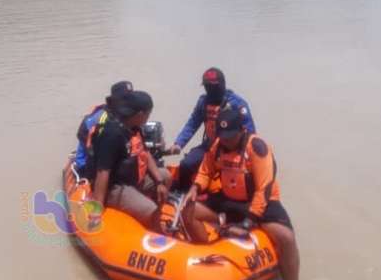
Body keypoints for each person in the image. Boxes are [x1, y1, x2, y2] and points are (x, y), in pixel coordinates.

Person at [182, 107, 300, 280]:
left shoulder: (258, 148)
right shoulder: (218, 145)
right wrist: (195, 188)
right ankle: (206, 254)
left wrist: (247, 224)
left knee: (286, 238)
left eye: (231, 136)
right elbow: (206, 170)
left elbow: (264, 188)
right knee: (188, 209)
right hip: (228, 198)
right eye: (223, 136)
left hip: (259, 203)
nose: (227, 140)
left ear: (242, 130)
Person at [88, 90, 172, 230]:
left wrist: (159, 182)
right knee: (150, 210)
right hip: (115, 187)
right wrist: (96, 211)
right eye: (148, 114)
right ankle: (156, 228)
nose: (148, 117)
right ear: (140, 114)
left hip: (135, 179)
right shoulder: (112, 134)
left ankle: (146, 206)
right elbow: (103, 172)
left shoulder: (134, 128)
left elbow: (145, 153)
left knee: (166, 176)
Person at [168, 67, 255, 190]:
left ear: (222, 84)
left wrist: (247, 155)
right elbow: (192, 123)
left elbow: (250, 132)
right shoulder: (203, 102)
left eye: (213, 87)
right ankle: (182, 194)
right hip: (209, 145)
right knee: (186, 165)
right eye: (207, 87)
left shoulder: (238, 104)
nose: (210, 90)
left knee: (237, 172)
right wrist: (179, 143)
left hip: (233, 148)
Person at [73, 80, 134, 175]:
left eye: (130, 100)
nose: (129, 103)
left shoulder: (123, 116)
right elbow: (99, 153)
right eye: (125, 99)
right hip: (88, 164)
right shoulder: (100, 119)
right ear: (114, 101)